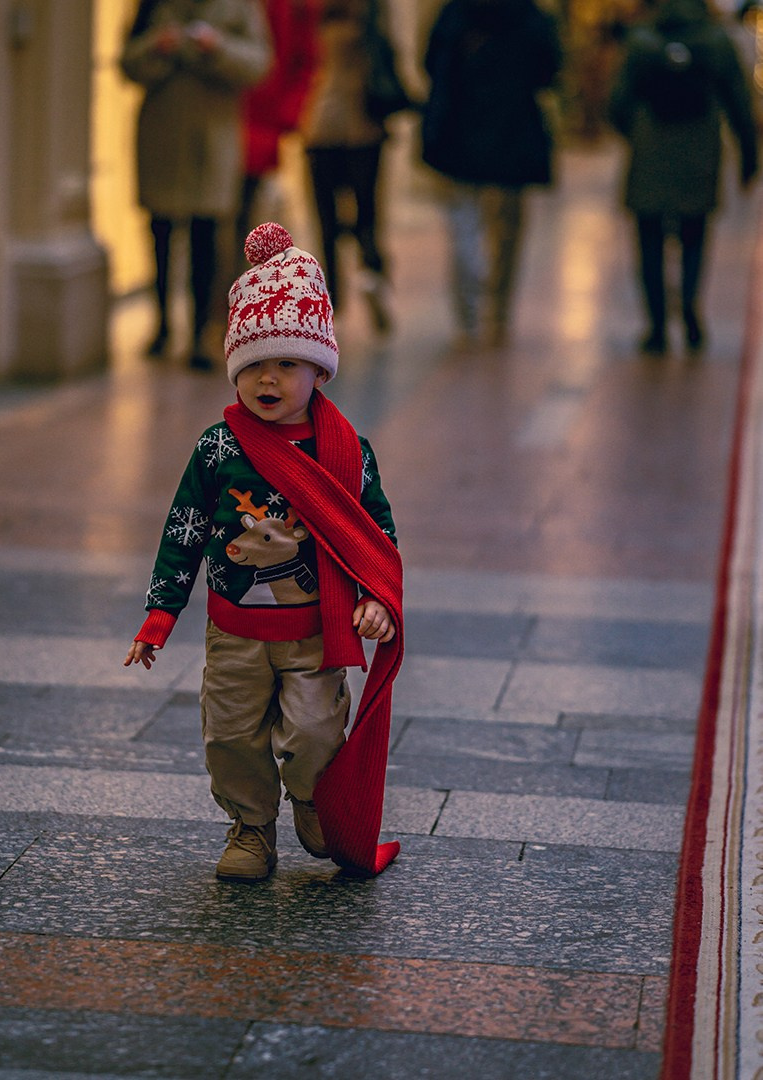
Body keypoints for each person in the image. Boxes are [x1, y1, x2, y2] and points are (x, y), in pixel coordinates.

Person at [124, 221, 404, 883]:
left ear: (318, 369)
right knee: (231, 737)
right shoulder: (218, 449)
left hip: (312, 632)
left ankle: (311, 798)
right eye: (252, 364)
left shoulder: (344, 453)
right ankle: (250, 830)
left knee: (312, 733)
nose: (267, 378)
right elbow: (185, 529)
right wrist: (160, 615)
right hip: (234, 633)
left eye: (285, 363)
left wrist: (375, 599)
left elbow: (375, 535)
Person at [120, 0, 271, 370]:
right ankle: (162, 325)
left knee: (206, 234)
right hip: (161, 134)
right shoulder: (153, 5)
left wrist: (217, 47)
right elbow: (126, 62)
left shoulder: (238, 7)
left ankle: (202, 331)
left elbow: (259, 62)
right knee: (160, 229)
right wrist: (158, 46)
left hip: (211, 137)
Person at [608, 0, 758, 354]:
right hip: (699, 147)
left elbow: (617, 103)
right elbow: (738, 100)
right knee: (694, 234)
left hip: (651, 148)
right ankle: (690, 303)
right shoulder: (716, 39)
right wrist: (749, 157)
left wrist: (635, 132)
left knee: (649, 240)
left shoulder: (642, 38)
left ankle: (656, 324)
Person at [420, 0, 562, 348]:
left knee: (465, 224)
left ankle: (469, 311)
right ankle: (497, 307)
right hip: (514, 133)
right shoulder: (530, 16)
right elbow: (549, 71)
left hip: (460, 132)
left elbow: (431, 65)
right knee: (508, 229)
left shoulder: (455, 13)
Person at [299, 0, 402, 332]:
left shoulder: (314, 17)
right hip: (363, 130)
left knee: (326, 223)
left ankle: (332, 299)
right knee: (367, 216)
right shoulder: (368, 17)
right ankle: (371, 277)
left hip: (320, 126)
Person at [236, 0, 321, 262]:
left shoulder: (294, 7)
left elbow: (306, 60)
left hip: (265, 123)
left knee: (251, 215)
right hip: (228, 121)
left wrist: (289, 114)